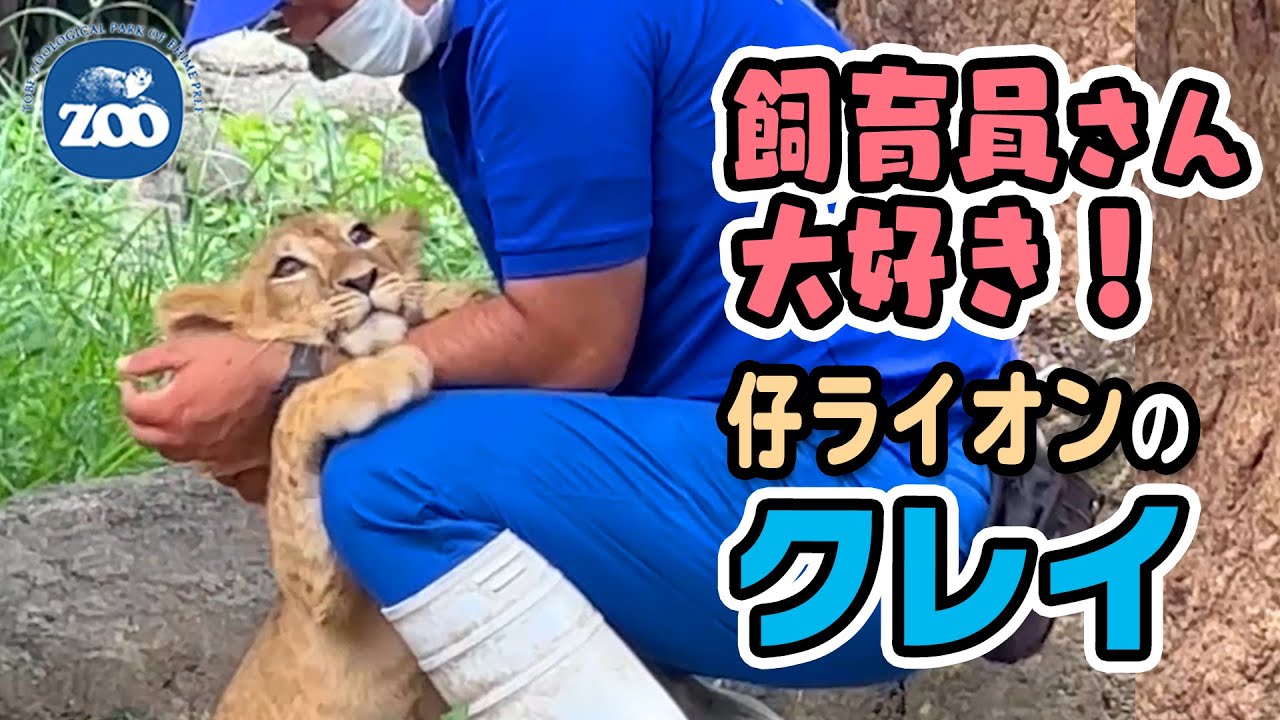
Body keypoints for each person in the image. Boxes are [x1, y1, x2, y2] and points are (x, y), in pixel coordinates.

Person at [120, 0, 1024, 716]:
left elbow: (567, 346)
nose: (302, 25)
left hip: (886, 501)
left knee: (389, 479)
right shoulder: (476, 50)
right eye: (278, 13)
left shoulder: (550, 20)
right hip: (861, 485)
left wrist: (290, 384)